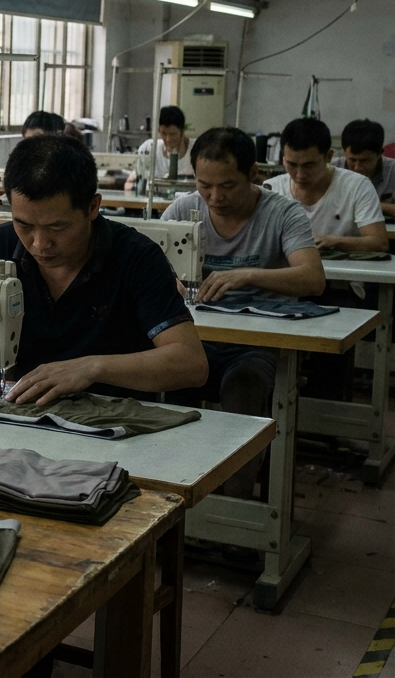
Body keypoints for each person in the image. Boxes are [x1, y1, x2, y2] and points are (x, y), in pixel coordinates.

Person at [0, 134, 207, 405]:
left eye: (57, 227)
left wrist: (90, 368)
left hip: (111, 420)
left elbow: (191, 364)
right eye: (23, 224)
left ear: (93, 207)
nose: (39, 244)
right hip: (22, 410)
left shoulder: (136, 258)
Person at [161, 127, 324, 497]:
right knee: (168, 388)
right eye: (204, 185)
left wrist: (246, 275)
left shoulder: (282, 213)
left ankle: (234, 510)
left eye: (227, 186)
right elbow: (146, 268)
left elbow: (313, 278)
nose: (214, 197)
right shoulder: (184, 209)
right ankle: (177, 493)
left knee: (243, 391)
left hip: (255, 343)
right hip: (194, 337)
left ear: (254, 175)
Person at [264, 117, 386, 254]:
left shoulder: (357, 186)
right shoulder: (272, 189)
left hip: (343, 274)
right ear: (283, 159)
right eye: (291, 165)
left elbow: (379, 243)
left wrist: (334, 241)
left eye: (309, 165)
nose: (300, 175)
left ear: (329, 156)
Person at [333, 118, 395, 218]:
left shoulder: (392, 170)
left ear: (380, 153)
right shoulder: (332, 169)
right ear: (344, 152)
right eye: (352, 160)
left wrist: (373, 205)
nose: (357, 168)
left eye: (365, 161)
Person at [134, 105, 192, 179]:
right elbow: (135, 178)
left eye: (172, 134)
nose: (168, 139)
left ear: (182, 132)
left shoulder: (198, 150)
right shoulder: (148, 148)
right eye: (163, 133)